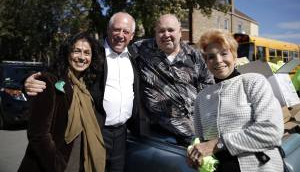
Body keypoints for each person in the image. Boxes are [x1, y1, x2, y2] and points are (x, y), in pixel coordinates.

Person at [24, 12, 138, 172]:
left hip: (121, 134)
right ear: (108, 30)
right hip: (97, 131)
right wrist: (29, 80)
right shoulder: (96, 52)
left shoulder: (136, 56)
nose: (120, 35)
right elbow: (51, 75)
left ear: (132, 36)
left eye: (125, 31)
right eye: (116, 29)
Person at [187, 29, 284, 171]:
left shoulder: (254, 82)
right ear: (206, 62)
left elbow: (272, 131)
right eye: (211, 57)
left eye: (224, 53)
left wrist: (217, 144)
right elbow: (201, 141)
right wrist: (195, 153)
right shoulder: (201, 98)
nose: (218, 60)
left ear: (234, 55)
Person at [18, 32, 106, 172]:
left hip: (79, 163)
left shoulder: (86, 87)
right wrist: (58, 166)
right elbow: (38, 135)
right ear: (67, 53)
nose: (82, 57)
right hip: (51, 166)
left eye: (87, 53)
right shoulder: (50, 82)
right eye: (76, 51)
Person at [131, 14, 214, 145]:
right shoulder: (140, 49)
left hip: (196, 128)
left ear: (180, 32)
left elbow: (208, 86)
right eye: (161, 31)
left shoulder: (194, 55)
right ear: (155, 33)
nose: (166, 34)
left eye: (170, 30)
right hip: (159, 133)